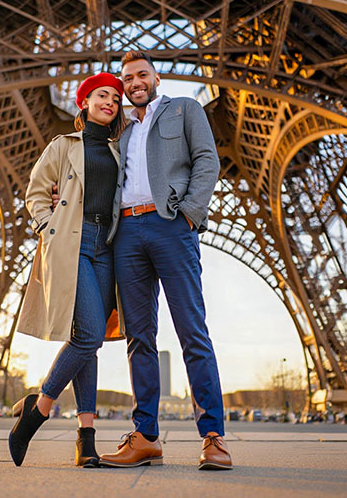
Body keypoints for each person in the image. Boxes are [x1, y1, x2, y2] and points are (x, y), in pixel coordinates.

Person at [97, 51, 231, 470]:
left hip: (172, 224)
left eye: (141, 74)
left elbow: (207, 160)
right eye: (127, 78)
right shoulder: (119, 128)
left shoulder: (184, 109)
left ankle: (213, 437)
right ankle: (146, 436)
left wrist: (191, 212)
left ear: (155, 77)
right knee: (139, 337)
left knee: (193, 331)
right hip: (128, 233)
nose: (134, 82)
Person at [7, 73, 128, 467]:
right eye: (101, 95)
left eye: (115, 97)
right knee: (90, 334)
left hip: (107, 248)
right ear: (85, 102)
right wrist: (49, 226)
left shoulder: (120, 150)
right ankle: (39, 408)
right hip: (72, 243)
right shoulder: (63, 145)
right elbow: (36, 192)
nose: (109, 101)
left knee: (89, 339)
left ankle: (86, 439)